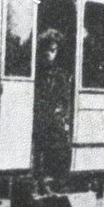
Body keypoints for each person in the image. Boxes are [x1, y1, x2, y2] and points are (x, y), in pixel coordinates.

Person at [34, 28, 72, 182]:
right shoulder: (35, 72)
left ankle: (55, 178)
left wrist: (59, 113)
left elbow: (64, 100)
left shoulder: (61, 75)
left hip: (53, 118)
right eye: (47, 50)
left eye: (53, 51)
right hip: (39, 117)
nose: (49, 54)